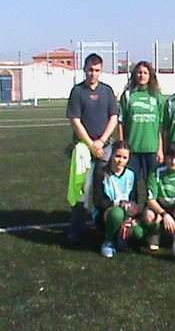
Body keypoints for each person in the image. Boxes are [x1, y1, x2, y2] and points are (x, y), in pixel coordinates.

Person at [66, 53, 119, 243]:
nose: (93, 74)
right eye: (90, 69)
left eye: (97, 70)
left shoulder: (107, 91)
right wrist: (90, 144)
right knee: (81, 188)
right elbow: (75, 121)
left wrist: (102, 141)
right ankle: (76, 228)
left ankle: (101, 226)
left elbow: (114, 116)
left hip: (105, 147)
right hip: (83, 149)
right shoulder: (77, 91)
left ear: (101, 71)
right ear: (84, 69)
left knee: (103, 188)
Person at [142, 141, 175, 251]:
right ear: (166, 157)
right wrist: (164, 214)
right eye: (170, 157)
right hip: (160, 208)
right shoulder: (155, 171)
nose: (173, 161)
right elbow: (151, 200)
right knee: (149, 215)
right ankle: (154, 234)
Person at [92, 141, 139, 258]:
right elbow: (98, 202)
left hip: (126, 213)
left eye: (124, 157)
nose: (120, 160)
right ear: (111, 155)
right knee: (116, 213)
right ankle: (108, 241)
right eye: (117, 156)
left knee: (139, 232)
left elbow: (134, 198)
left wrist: (130, 217)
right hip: (106, 213)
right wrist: (119, 203)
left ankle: (121, 234)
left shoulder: (131, 174)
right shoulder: (101, 173)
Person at [119, 61, 164, 182]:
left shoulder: (157, 96)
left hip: (152, 149)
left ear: (150, 75)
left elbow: (160, 126)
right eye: (139, 72)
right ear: (134, 75)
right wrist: (123, 146)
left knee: (152, 185)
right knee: (131, 185)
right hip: (133, 149)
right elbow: (121, 123)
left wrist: (160, 150)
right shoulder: (128, 96)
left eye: (145, 73)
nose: (142, 75)